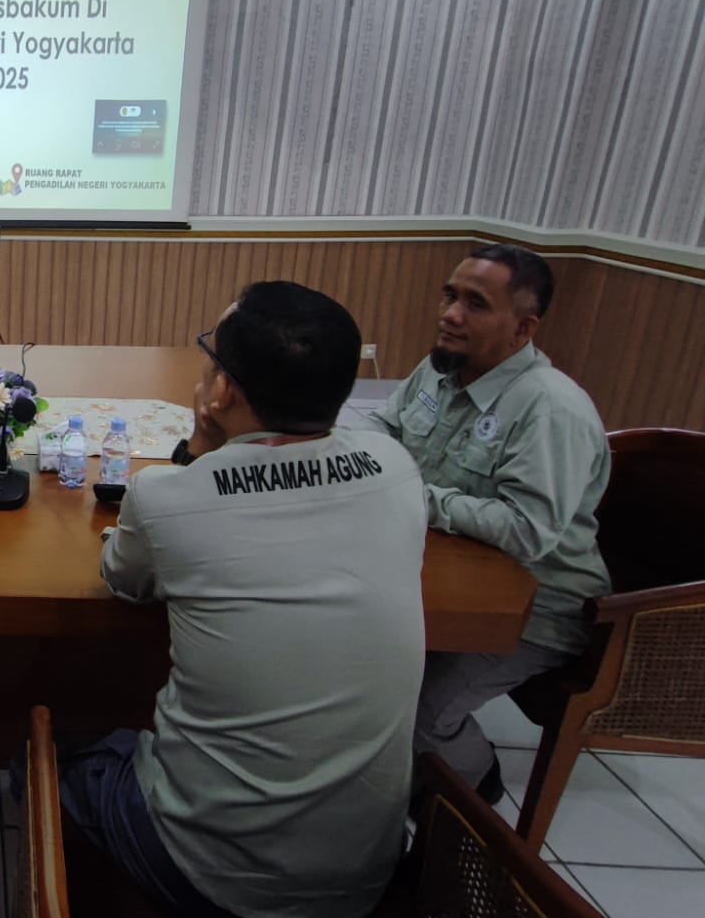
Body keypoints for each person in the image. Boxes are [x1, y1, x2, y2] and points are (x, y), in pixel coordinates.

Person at [77, 282, 427, 918]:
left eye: (212, 356)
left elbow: (124, 581)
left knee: (50, 749)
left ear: (221, 392)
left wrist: (197, 452)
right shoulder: (397, 465)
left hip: (212, 876)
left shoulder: (166, 497)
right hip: (368, 875)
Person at [369, 245, 610, 803]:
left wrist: (414, 495)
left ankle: (474, 796)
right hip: (439, 574)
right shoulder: (439, 369)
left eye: (475, 304)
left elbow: (529, 530)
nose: (450, 314)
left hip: (535, 610)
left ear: (523, 328)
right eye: (450, 295)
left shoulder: (551, 410)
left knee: (425, 717)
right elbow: (383, 425)